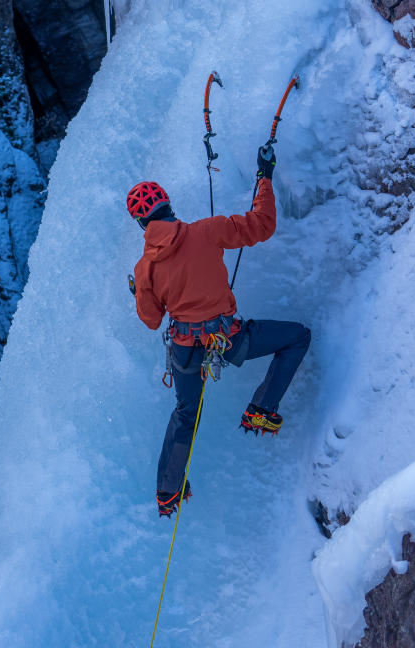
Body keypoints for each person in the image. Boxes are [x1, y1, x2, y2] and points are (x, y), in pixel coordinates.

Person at [128, 144, 311, 517]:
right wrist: (264, 177)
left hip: (184, 350)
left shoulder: (145, 267)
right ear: (168, 206)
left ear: (142, 225)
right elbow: (262, 224)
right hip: (227, 338)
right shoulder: (207, 232)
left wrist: (138, 290)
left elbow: (150, 319)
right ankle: (261, 409)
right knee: (296, 337)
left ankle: (168, 492)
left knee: (185, 413)